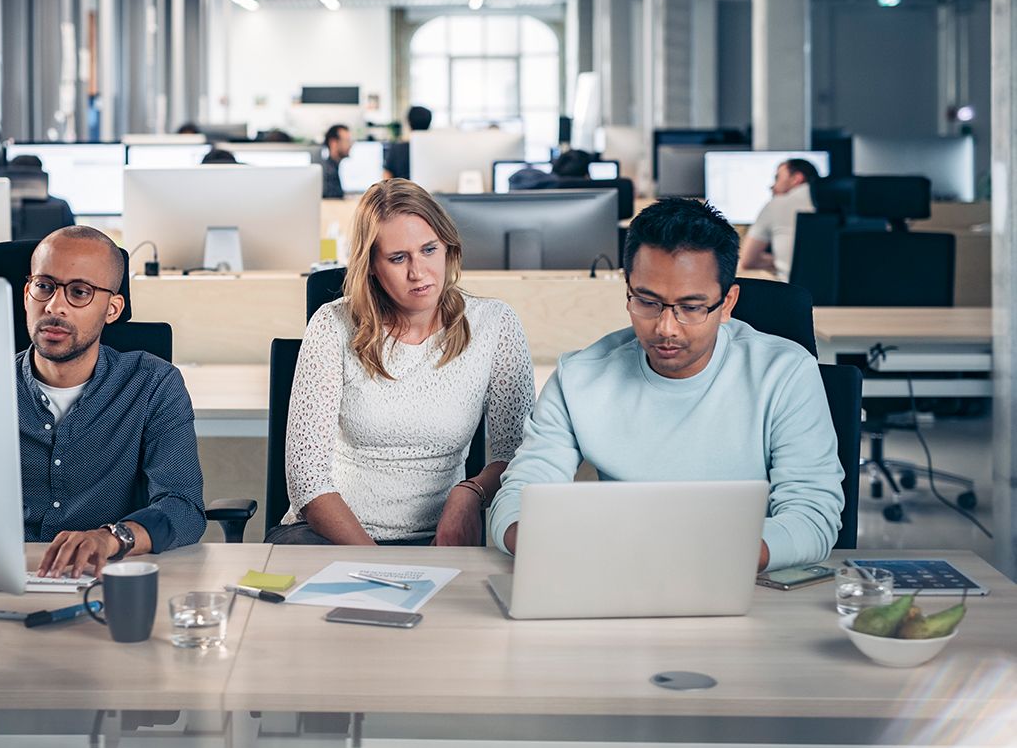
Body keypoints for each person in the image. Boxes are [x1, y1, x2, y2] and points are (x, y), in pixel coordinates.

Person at [489, 197, 843, 572]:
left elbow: (813, 517)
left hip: (741, 577)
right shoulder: (579, 376)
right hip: (619, 573)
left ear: (727, 303)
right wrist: (536, 537)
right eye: (647, 302)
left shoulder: (785, 373)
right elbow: (520, 494)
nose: (665, 328)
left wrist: (696, 557)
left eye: (691, 307)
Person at [273, 178, 536, 547]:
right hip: (331, 537)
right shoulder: (332, 325)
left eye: (429, 250)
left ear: (448, 247)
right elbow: (307, 480)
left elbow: (519, 455)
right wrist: (381, 567)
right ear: (371, 266)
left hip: (439, 539)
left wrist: (470, 492)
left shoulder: (495, 324)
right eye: (398, 258)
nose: (418, 272)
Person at [20, 226, 206, 578]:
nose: (54, 306)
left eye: (80, 292)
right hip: (2, 576)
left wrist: (111, 538)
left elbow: (183, 507)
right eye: (44, 286)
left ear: (112, 309)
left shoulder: (152, 384)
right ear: (27, 294)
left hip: (108, 576)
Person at [738, 158, 819, 282]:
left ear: (797, 178)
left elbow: (748, 261)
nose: (772, 186)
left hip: (795, 290)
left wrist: (778, 259)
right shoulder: (837, 205)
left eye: (777, 178)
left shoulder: (777, 204)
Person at [383, 105, 433, 180]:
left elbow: (387, 176)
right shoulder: (435, 149)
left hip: (402, 187)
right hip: (428, 187)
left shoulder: (397, 148)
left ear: (409, 122)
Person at [321, 124, 352, 199]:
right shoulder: (328, 173)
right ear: (333, 143)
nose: (350, 145)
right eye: (347, 141)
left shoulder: (335, 166)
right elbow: (334, 199)